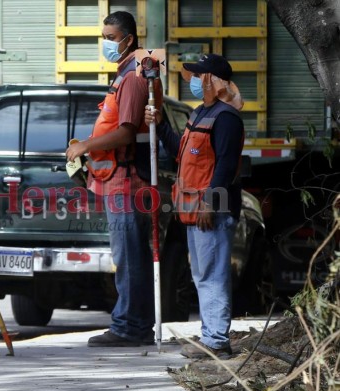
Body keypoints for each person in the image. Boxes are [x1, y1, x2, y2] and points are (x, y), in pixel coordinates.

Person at [66, 11, 162, 347]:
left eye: (110, 38)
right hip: (116, 180)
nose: (106, 43)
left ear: (128, 39)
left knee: (130, 257)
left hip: (127, 182)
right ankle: (129, 323)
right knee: (126, 255)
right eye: (104, 37)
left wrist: (85, 146)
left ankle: (130, 327)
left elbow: (124, 133)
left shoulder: (134, 78)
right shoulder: (122, 76)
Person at [145, 53, 244, 359]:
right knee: (203, 276)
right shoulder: (200, 113)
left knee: (213, 275)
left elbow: (226, 166)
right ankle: (210, 336)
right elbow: (181, 153)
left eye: (200, 77)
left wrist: (210, 203)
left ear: (213, 80)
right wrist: (161, 126)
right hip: (192, 209)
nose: (195, 83)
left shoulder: (226, 118)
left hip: (211, 210)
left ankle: (216, 341)